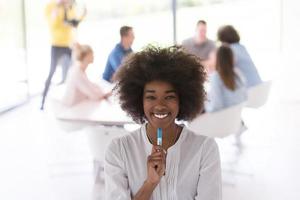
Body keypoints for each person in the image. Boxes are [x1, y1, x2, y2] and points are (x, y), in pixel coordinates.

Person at [104, 46, 222, 199]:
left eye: (169, 97)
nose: (160, 105)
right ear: (139, 100)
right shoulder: (119, 150)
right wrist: (150, 183)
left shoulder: (204, 149)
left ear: (182, 100)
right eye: (151, 97)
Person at [41, 0, 86, 110]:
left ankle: (73, 99)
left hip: (68, 45)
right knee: (51, 72)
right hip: (56, 44)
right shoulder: (51, 6)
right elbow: (52, 23)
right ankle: (42, 102)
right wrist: (58, 6)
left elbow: (74, 23)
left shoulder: (70, 7)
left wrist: (83, 15)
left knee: (74, 71)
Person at [205, 44, 247, 112]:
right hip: (237, 118)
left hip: (224, 118)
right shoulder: (238, 73)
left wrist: (205, 104)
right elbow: (245, 97)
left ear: (217, 59)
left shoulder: (215, 77)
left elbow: (216, 107)